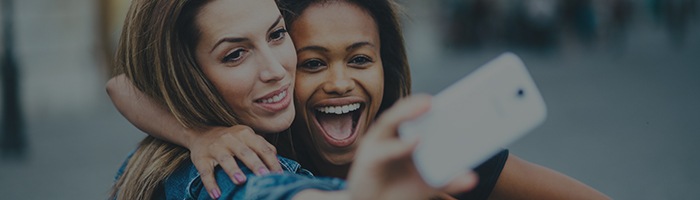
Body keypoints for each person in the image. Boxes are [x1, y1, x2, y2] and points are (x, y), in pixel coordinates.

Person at [108, 0, 610, 199]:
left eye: (361, 60)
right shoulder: (227, 168)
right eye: (314, 62)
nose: (340, 82)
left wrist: (195, 130)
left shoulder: (430, 151)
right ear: (189, 75)